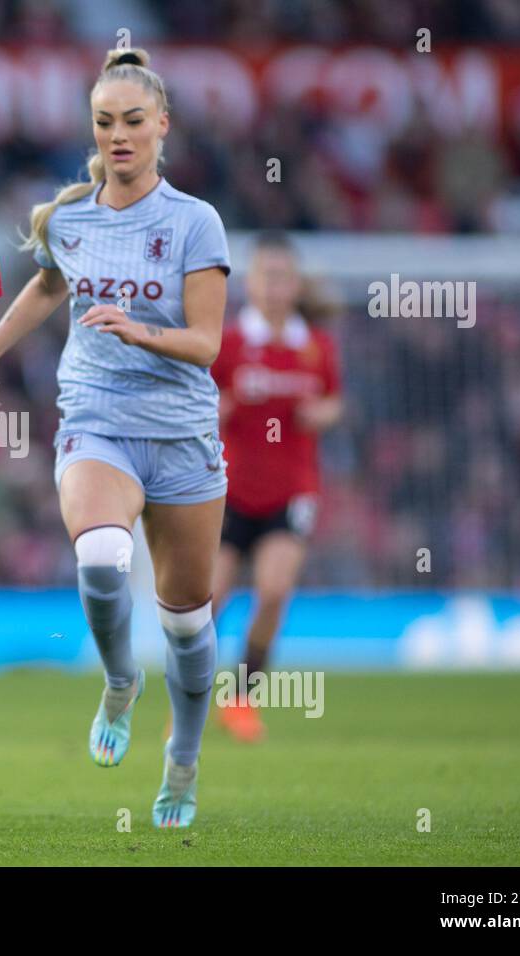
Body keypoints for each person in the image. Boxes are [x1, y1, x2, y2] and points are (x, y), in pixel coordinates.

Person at [0, 48, 229, 828]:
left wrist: (139, 331)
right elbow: (47, 284)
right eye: (104, 123)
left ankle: (183, 762)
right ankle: (121, 680)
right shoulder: (71, 219)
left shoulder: (195, 221)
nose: (118, 135)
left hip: (183, 434)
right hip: (98, 417)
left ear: (162, 124)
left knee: (188, 620)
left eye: (133, 121)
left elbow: (206, 344)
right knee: (99, 553)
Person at [210, 232, 343, 742]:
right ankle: (191, 699)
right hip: (228, 489)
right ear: (251, 281)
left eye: (284, 275)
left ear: (295, 284)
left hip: (291, 489)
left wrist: (322, 414)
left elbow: (334, 401)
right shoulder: (229, 342)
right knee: (207, 601)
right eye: (266, 274)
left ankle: (242, 697)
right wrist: (216, 408)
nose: (274, 285)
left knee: (273, 591)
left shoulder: (315, 347)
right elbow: (204, 397)